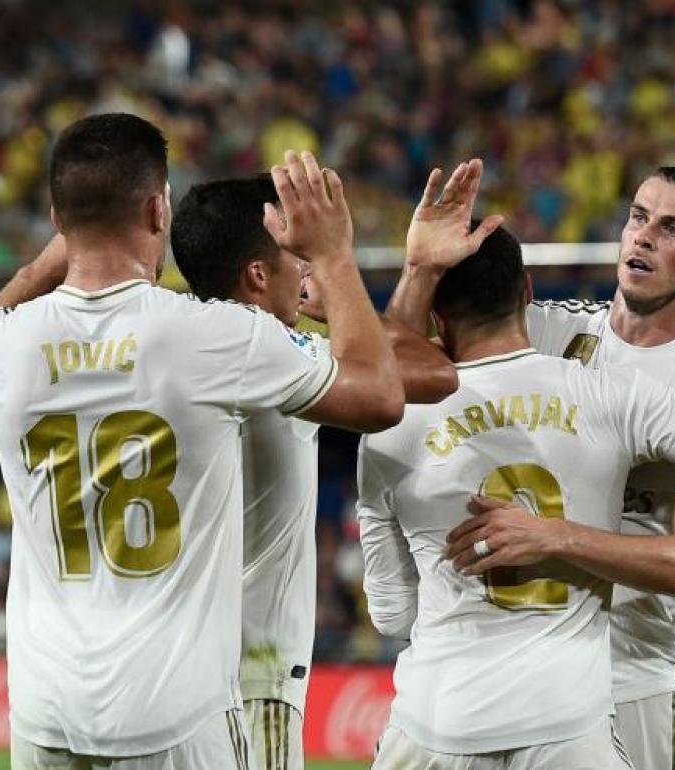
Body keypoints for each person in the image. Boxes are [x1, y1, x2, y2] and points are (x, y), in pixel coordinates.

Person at [0, 112, 405, 769]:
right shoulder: (210, 333)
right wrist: (333, 255)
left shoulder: (1, 344)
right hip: (175, 712)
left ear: (57, 220)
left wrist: (31, 277)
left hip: (45, 713)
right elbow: (380, 396)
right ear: (157, 209)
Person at [358, 163, 675, 769]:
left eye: (671, 229)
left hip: (640, 674)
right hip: (516, 675)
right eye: (638, 217)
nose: (643, 236)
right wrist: (421, 270)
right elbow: (393, 367)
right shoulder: (548, 327)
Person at [169, 174, 458, 770]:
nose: (303, 273)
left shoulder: (173, 343)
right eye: (294, 258)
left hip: (167, 671)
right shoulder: (273, 355)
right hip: (254, 672)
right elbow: (431, 373)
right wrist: (338, 266)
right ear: (257, 275)